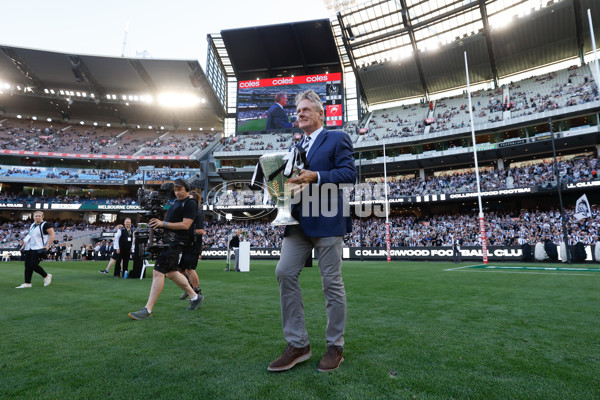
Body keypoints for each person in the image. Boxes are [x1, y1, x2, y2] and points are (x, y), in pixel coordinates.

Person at [267, 90, 356, 372]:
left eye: (306, 109)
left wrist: (316, 175)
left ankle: (335, 346)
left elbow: (349, 174)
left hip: (328, 219)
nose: (301, 114)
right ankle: (298, 344)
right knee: (284, 272)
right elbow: (293, 183)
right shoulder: (296, 146)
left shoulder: (337, 137)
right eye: (298, 111)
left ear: (320, 114)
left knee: (331, 283)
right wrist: (277, 189)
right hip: (298, 222)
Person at [128, 179, 204, 320]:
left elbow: (186, 225)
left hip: (176, 242)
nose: (177, 192)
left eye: (180, 189)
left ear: (186, 189)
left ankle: (148, 309)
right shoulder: (176, 202)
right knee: (171, 273)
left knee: (158, 272)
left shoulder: (190, 203)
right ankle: (195, 297)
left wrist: (163, 223)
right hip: (169, 240)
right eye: (175, 190)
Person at [16, 211, 54, 289]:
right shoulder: (33, 225)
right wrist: (24, 244)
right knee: (27, 266)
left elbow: (52, 234)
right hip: (29, 247)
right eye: (36, 216)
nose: (37, 217)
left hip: (39, 248)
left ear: (42, 217)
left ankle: (46, 276)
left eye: (39, 216)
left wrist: (48, 245)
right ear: (33, 217)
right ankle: (27, 283)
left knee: (33, 264)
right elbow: (29, 235)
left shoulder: (45, 224)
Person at [179, 191, 205, 300]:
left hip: (193, 245)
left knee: (190, 269)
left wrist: (188, 232)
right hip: (186, 244)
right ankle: (189, 289)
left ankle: (197, 292)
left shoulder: (197, 213)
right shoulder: (189, 213)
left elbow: (200, 231)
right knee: (180, 270)